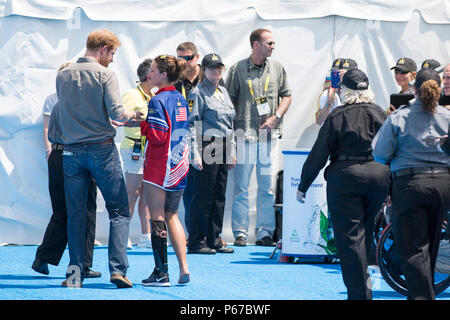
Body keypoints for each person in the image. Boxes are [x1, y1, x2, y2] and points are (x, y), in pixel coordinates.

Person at [56, 29, 142, 288]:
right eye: (113, 53)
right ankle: (118, 270)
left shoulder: (62, 74)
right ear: (103, 48)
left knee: (76, 215)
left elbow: (65, 110)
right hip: (101, 151)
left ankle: (74, 275)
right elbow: (118, 111)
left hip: (71, 152)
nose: (113, 59)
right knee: (119, 211)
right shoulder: (106, 74)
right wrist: (137, 115)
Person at [296, 69, 391, 300]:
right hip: (378, 178)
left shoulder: (338, 116)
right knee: (365, 234)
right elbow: (392, 148)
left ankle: (359, 295)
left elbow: (319, 153)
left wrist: (303, 184)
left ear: (344, 91)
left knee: (349, 239)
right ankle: (365, 288)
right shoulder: (380, 113)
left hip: (346, 179)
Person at [372, 68, 450, 300]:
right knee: (432, 242)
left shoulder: (400, 117)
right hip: (443, 184)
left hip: (410, 184)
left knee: (412, 247)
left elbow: (379, 153)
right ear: (440, 89)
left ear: (414, 90)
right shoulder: (447, 118)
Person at [32, 63, 101, 279]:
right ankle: (83, 265)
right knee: (86, 210)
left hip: (58, 155)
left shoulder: (57, 104)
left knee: (62, 210)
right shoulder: (81, 105)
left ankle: (43, 257)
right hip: (77, 155)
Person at [226, 28, 292, 247]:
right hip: (244, 135)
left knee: (267, 187)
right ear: (256, 44)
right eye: (269, 43)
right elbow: (229, 102)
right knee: (241, 187)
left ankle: (264, 232)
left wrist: (276, 117)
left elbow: (287, 95)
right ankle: (240, 232)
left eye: (273, 43)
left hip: (269, 138)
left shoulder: (277, 67)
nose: (273, 46)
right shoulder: (237, 69)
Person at [140, 54, 190, 286]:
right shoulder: (180, 98)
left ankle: (161, 273)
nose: (149, 74)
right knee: (173, 216)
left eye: (152, 70)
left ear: (163, 75)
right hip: (179, 164)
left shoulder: (157, 100)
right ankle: (183, 269)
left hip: (160, 165)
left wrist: (143, 124)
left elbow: (158, 135)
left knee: (157, 218)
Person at [187, 53, 236, 255]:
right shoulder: (197, 93)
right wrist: (194, 153)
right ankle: (197, 240)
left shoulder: (222, 91)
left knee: (219, 195)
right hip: (207, 144)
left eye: (219, 68)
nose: (216, 71)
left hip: (223, 145)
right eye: (212, 68)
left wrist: (232, 150)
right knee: (203, 195)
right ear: (204, 70)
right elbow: (191, 124)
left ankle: (214, 237)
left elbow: (230, 124)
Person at [119, 58, 154, 249]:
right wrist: (141, 121)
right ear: (149, 76)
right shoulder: (132, 94)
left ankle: (145, 236)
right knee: (131, 193)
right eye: (156, 72)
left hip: (149, 149)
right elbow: (121, 119)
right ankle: (122, 235)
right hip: (134, 147)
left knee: (146, 194)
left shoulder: (153, 95)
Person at [174, 42, 202, 237]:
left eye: (189, 57)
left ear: (197, 57)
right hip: (183, 139)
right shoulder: (175, 81)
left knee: (210, 191)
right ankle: (191, 235)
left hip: (209, 138)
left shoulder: (210, 76)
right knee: (188, 190)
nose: (185, 62)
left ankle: (210, 235)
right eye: (181, 58)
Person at [315, 58, 358, 126]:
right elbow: (319, 121)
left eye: (342, 74)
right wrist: (329, 102)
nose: (339, 77)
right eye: (335, 74)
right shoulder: (327, 94)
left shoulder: (360, 93)